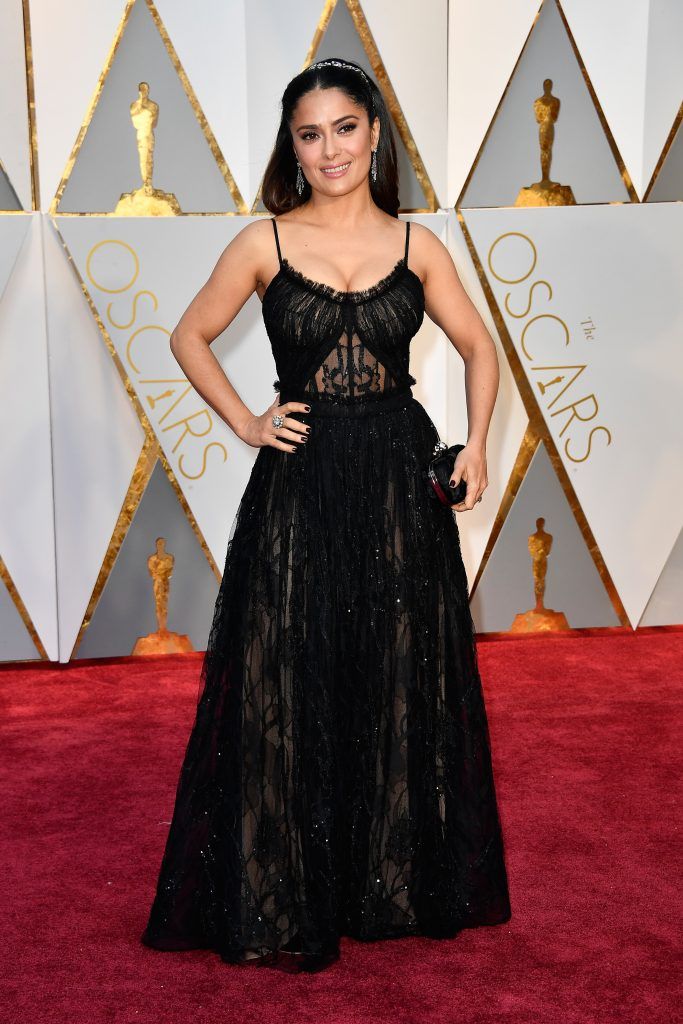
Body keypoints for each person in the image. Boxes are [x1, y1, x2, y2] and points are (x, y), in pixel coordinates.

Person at [141, 56, 511, 974]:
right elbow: (187, 334)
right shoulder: (263, 242)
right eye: (310, 134)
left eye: (344, 128)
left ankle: (388, 883)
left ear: (374, 134)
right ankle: (285, 884)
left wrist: (475, 444)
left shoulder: (419, 245)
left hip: (396, 489)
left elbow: (478, 347)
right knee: (286, 676)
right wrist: (247, 421)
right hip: (299, 488)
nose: (329, 149)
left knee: (392, 672)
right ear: (292, 148)